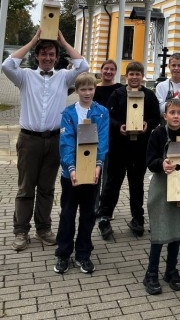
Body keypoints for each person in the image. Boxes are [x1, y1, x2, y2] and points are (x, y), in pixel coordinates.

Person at [2, 29, 88, 252]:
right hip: (29, 140)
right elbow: (7, 66)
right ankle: (21, 231)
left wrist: (63, 41)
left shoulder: (63, 77)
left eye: (52, 54)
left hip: (53, 140)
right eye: (44, 54)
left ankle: (43, 228)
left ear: (56, 58)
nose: (48, 58)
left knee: (47, 188)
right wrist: (32, 41)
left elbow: (83, 66)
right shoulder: (25, 76)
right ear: (37, 56)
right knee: (25, 188)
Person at [53, 73, 109, 274]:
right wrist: (71, 168)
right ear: (77, 91)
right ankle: (63, 253)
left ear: (95, 89)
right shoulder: (68, 113)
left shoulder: (101, 112)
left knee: (88, 214)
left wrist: (98, 165)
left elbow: (102, 140)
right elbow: (66, 141)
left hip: (92, 173)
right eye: (83, 89)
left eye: (91, 89)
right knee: (68, 213)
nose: (87, 93)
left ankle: (83, 253)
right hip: (72, 175)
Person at [97, 61, 160, 239]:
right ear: (126, 76)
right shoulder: (118, 94)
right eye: (131, 74)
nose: (134, 77)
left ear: (142, 77)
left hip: (140, 148)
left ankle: (138, 218)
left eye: (137, 74)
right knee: (113, 182)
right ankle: (104, 217)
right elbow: (108, 117)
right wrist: (119, 126)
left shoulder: (149, 95)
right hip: (119, 146)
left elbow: (155, 117)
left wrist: (149, 124)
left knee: (136, 183)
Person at [143, 98, 180, 295]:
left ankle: (171, 270)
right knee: (160, 231)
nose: (175, 116)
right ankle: (151, 273)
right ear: (165, 116)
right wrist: (161, 164)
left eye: (179, 113)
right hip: (161, 187)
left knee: (176, 230)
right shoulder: (157, 134)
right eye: (171, 112)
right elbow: (150, 161)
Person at [93, 59, 121, 216]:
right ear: (101, 70)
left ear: (115, 72)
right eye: (106, 69)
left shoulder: (119, 89)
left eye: (112, 69)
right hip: (97, 136)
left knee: (109, 175)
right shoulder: (94, 90)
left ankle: (105, 207)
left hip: (114, 137)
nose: (108, 72)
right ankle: (93, 205)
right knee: (95, 172)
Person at [155, 52, 180, 130]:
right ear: (169, 67)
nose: (176, 68)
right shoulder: (161, 86)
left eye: (179, 65)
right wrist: (179, 97)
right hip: (165, 128)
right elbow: (160, 110)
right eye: (173, 65)